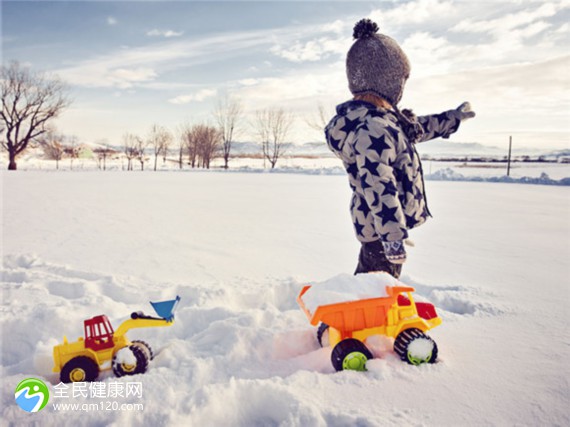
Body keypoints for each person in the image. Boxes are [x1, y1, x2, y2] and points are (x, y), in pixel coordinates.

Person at [325, 18, 475, 278]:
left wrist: (452, 119)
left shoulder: (384, 122)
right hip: (381, 233)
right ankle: (338, 319)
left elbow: (418, 129)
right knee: (376, 294)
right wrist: (392, 238)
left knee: (368, 287)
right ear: (387, 81)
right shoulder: (374, 129)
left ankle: (344, 314)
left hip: (379, 230)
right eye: (401, 79)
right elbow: (378, 184)